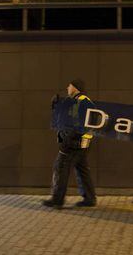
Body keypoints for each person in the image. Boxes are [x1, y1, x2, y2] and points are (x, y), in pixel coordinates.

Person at [42, 79, 97, 209]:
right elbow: (64, 117)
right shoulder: (79, 101)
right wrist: (56, 106)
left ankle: (57, 199)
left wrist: (69, 138)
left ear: (75, 88)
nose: (67, 88)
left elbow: (81, 122)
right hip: (81, 143)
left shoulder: (82, 102)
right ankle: (89, 198)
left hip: (74, 143)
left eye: (69, 86)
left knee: (60, 167)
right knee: (82, 170)